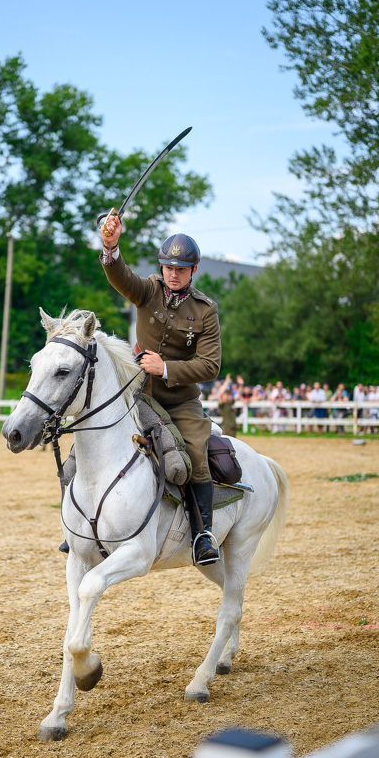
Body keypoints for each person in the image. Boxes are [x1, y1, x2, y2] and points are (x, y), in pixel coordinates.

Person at [100, 215, 221, 565]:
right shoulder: (148, 289)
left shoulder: (206, 310)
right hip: (136, 393)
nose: (173, 272)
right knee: (89, 436)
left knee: (197, 451)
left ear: (193, 269)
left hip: (180, 400)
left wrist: (165, 368)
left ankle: (203, 535)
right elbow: (120, 276)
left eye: (181, 268)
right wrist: (110, 248)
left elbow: (211, 366)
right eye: (168, 266)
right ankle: (80, 526)